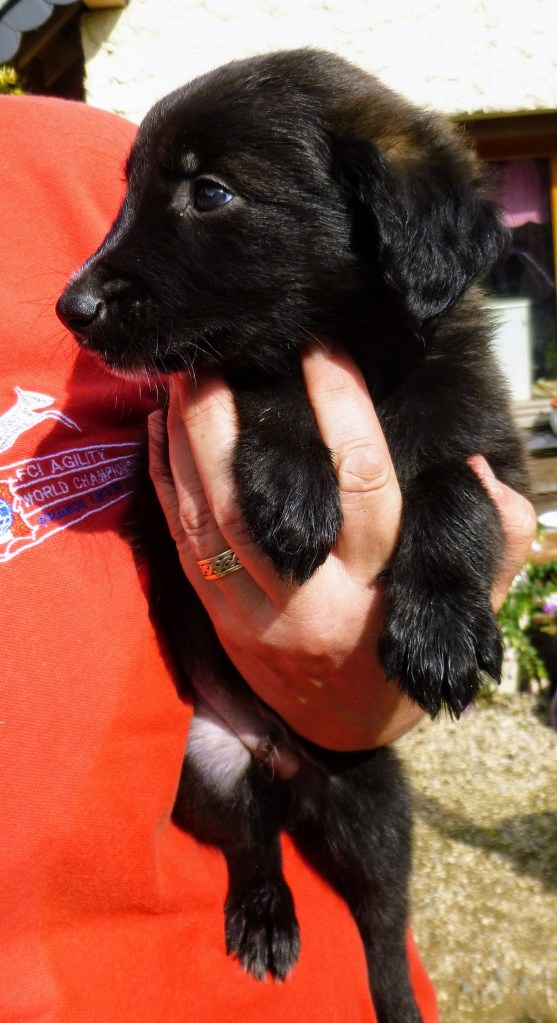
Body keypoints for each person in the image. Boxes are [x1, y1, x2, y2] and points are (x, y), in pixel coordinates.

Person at [0, 92, 535, 1023]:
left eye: (206, 194)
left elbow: (481, 485)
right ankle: (259, 879)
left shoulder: (74, 152)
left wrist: (393, 641)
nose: (88, 282)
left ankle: (389, 988)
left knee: (371, 838)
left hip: (316, 956)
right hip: (160, 859)